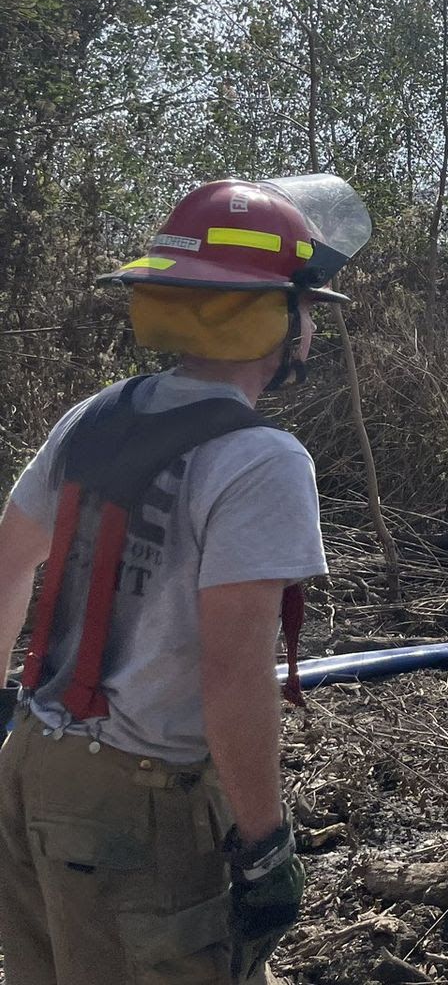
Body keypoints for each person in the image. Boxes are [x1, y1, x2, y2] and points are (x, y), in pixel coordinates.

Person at [0, 175, 371, 984]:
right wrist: (265, 840)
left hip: (32, 761)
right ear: (278, 317)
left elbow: (8, 563)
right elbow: (233, 672)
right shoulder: (263, 462)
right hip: (141, 805)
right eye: (306, 306)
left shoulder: (95, 415)